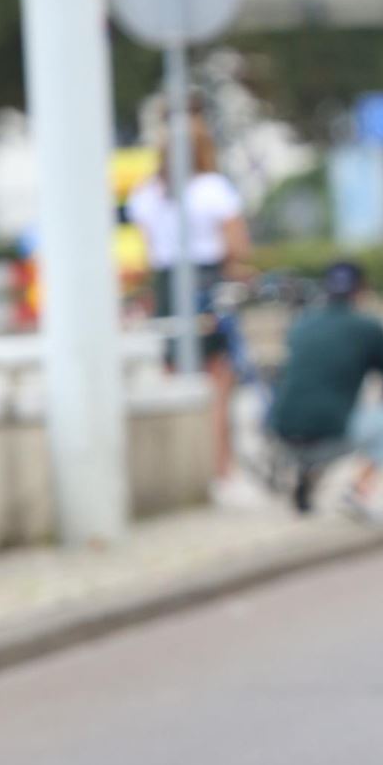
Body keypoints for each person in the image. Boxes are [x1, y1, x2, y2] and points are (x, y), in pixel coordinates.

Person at [126, 117, 250, 489]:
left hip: (167, 287)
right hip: (208, 282)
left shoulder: (147, 194)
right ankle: (221, 471)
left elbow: (148, 252)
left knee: (173, 377)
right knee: (219, 382)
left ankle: (181, 471)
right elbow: (237, 247)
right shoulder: (213, 189)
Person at [268, 260, 383, 519]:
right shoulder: (370, 328)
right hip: (332, 435)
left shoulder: (302, 323)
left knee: (326, 410)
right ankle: (357, 492)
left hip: (280, 431)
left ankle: (309, 471)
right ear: (362, 288)